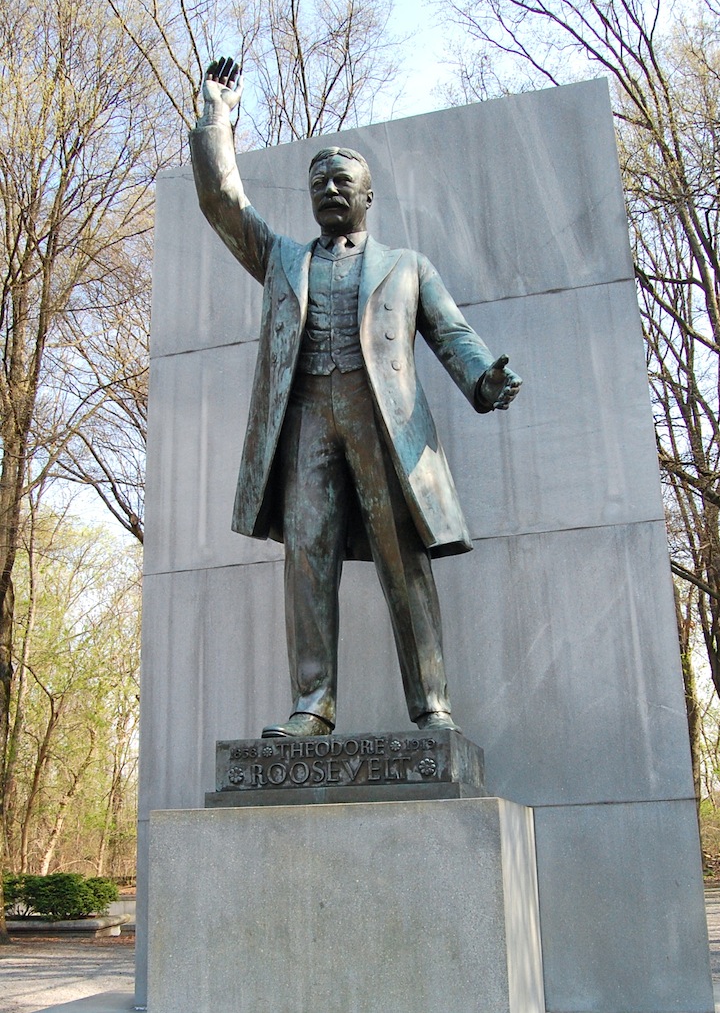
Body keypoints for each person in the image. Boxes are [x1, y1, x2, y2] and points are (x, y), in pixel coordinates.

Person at [190, 57, 522, 739]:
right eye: (318, 182)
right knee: (306, 555)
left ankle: (432, 702)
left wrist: (484, 378)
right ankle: (313, 701)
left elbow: (452, 332)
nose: (329, 189)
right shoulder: (283, 259)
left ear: (368, 197)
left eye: (342, 181)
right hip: (306, 420)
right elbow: (223, 203)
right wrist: (217, 118)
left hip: (383, 426)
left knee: (404, 559)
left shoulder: (406, 267)